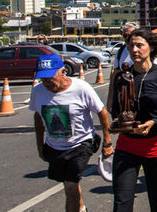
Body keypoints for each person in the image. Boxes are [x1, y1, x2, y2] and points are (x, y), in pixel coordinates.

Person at [31, 54, 113, 212]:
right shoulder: (38, 91)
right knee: (69, 184)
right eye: (43, 78)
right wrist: (40, 146)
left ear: (63, 71)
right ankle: (81, 208)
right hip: (55, 147)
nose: (47, 82)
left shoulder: (81, 88)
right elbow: (38, 118)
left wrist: (107, 141)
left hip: (81, 144)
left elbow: (102, 112)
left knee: (70, 185)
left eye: (50, 77)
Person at [111, 29, 157, 212]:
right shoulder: (121, 77)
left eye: (139, 45)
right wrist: (117, 123)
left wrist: (155, 122)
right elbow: (115, 109)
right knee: (122, 201)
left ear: (151, 48)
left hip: (155, 146)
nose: (134, 49)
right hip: (127, 145)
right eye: (131, 45)